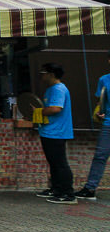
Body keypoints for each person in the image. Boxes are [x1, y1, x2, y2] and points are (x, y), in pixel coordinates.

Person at [35, 63, 76, 204]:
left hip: (57, 132)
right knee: (53, 163)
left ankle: (68, 193)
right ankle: (56, 189)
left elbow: (55, 108)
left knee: (60, 163)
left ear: (51, 75)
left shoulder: (58, 89)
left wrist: (38, 112)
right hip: (49, 131)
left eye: (43, 73)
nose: (41, 76)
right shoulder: (51, 89)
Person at [75, 52, 110, 200]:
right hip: (108, 124)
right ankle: (90, 189)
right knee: (100, 156)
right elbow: (100, 102)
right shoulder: (104, 80)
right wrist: (99, 113)